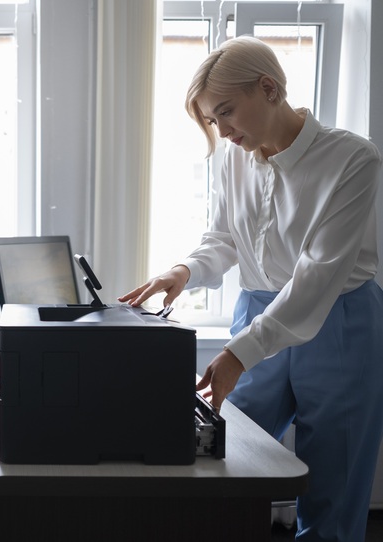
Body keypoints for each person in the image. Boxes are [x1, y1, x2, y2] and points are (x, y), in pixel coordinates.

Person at [119, 36, 383, 541]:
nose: (221, 130)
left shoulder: (353, 158)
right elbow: (223, 238)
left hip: (340, 321)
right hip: (258, 311)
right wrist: (184, 271)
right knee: (226, 459)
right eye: (211, 120)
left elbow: (317, 276)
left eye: (226, 112)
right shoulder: (231, 157)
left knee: (334, 485)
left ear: (269, 89)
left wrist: (240, 352)